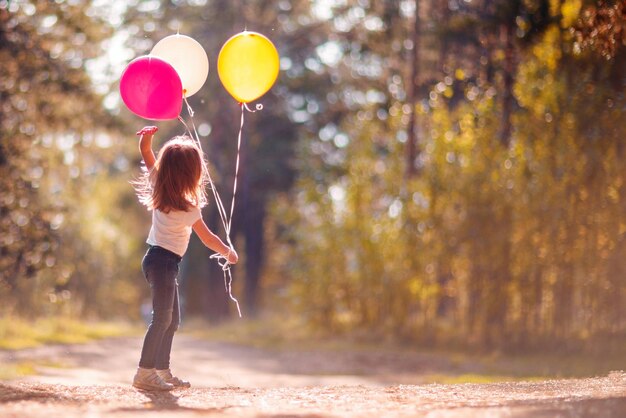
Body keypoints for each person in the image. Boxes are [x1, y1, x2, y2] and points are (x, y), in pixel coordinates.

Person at [131, 126, 238, 391]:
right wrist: (229, 252)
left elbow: (146, 151)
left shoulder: (158, 184)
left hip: (159, 261)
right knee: (162, 319)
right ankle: (144, 372)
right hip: (164, 262)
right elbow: (208, 238)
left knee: (172, 320)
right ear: (192, 174)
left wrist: (147, 136)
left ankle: (162, 370)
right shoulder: (188, 208)